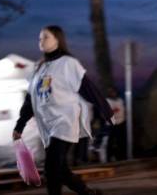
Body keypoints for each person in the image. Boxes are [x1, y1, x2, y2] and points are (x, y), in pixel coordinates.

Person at [13, 25, 116, 195]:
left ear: (57, 40)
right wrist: (19, 125)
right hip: (47, 126)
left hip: (65, 121)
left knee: (51, 168)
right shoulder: (38, 68)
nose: (41, 41)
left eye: (45, 37)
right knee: (60, 170)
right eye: (39, 38)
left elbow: (88, 88)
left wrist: (106, 111)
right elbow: (30, 99)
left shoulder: (68, 63)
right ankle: (87, 192)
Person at [104, 87, 126, 162]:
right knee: (110, 141)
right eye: (111, 92)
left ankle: (120, 157)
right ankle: (108, 158)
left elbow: (123, 110)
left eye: (114, 92)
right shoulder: (107, 101)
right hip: (111, 125)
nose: (113, 93)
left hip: (120, 123)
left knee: (120, 141)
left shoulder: (120, 100)